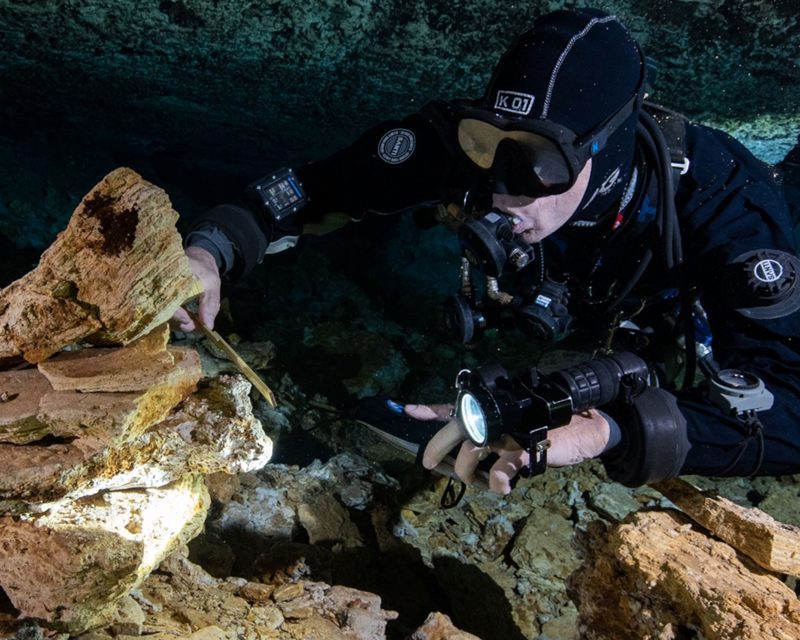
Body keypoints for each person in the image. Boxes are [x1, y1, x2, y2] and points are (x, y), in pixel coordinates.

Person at [175, 8, 800, 494]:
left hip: (659, 312)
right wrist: (210, 250)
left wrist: (606, 431)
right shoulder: (467, 154)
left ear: (603, 153)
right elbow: (307, 191)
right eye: (487, 143)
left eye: (539, 163)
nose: (501, 189)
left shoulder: (725, 201)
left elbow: (792, 406)